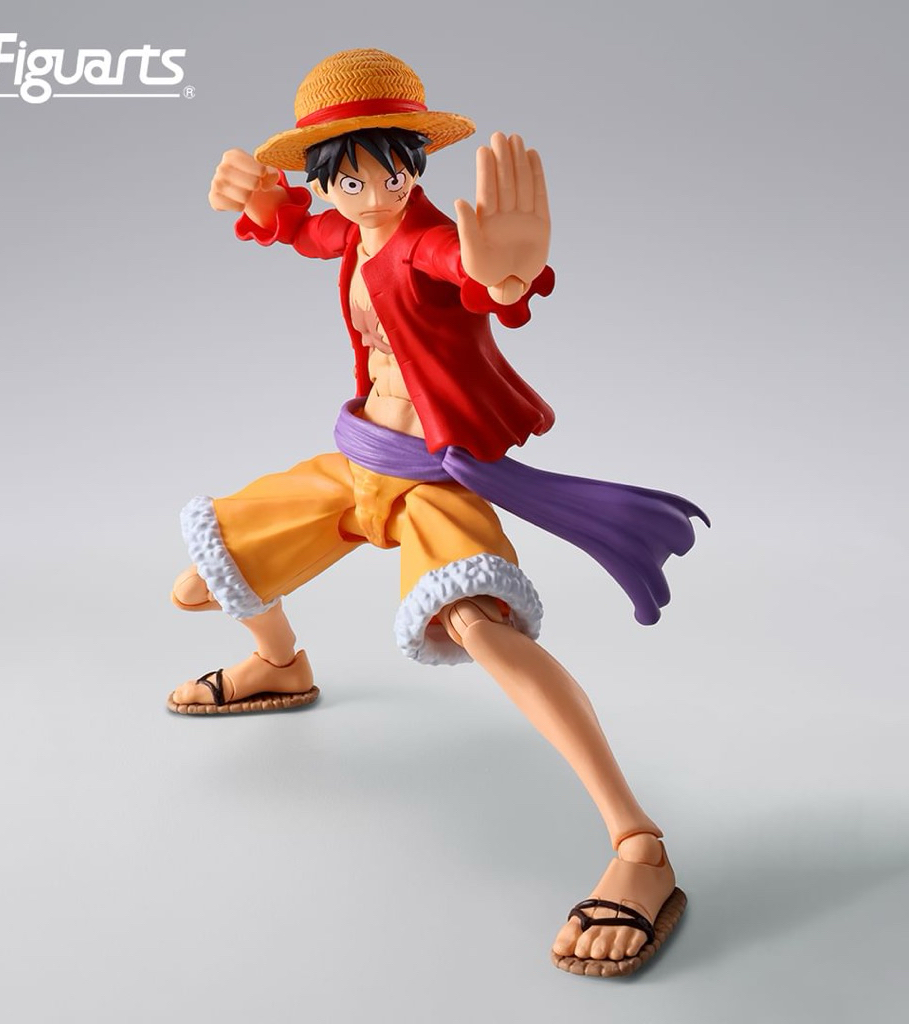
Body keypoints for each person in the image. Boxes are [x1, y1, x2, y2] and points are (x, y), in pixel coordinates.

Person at [168, 48, 705, 977]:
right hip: (356, 463)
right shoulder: (350, 231)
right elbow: (306, 231)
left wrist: (504, 278)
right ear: (325, 179)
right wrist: (262, 202)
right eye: (352, 179)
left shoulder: (423, 241)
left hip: (433, 483)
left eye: (395, 172)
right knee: (200, 577)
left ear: (416, 163)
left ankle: (639, 846)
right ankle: (281, 664)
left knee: (481, 630)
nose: (378, 195)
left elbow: (466, 271)